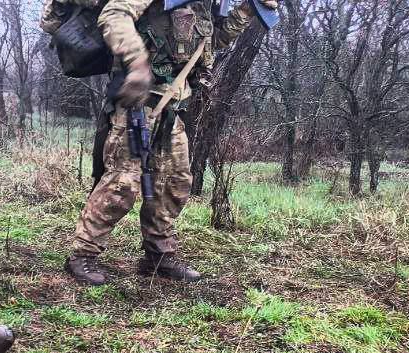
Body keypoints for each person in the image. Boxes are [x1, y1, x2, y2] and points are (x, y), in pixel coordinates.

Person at [61, 0, 276, 285]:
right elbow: (114, 14)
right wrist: (137, 63)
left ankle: (158, 255)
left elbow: (213, 41)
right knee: (122, 183)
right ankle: (83, 254)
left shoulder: (205, 4)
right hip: (137, 105)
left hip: (172, 107)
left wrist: (246, 11)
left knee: (174, 182)